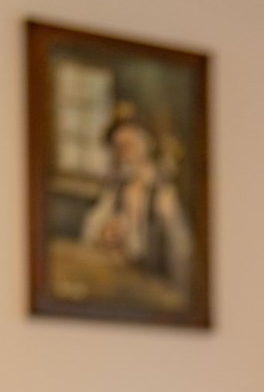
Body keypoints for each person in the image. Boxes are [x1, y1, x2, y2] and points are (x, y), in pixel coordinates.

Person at [79, 102, 193, 292]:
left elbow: (181, 253)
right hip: (122, 282)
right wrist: (104, 233)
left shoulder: (162, 192)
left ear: (147, 144)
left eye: (128, 147)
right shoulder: (116, 191)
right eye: (118, 148)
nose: (123, 155)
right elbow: (89, 232)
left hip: (155, 287)